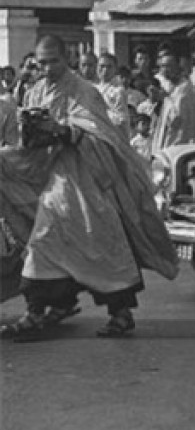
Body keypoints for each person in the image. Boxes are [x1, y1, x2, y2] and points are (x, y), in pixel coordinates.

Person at [0, 34, 178, 341]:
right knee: (44, 242)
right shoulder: (36, 91)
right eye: (42, 63)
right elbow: (28, 142)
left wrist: (63, 131)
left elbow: (103, 136)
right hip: (54, 181)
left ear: (65, 58)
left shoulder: (85, 91)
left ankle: (121, 314)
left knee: (101, 245)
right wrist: (30, 137)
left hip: (86, 179)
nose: (47, 68)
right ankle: (40, 310)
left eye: (53, 61)